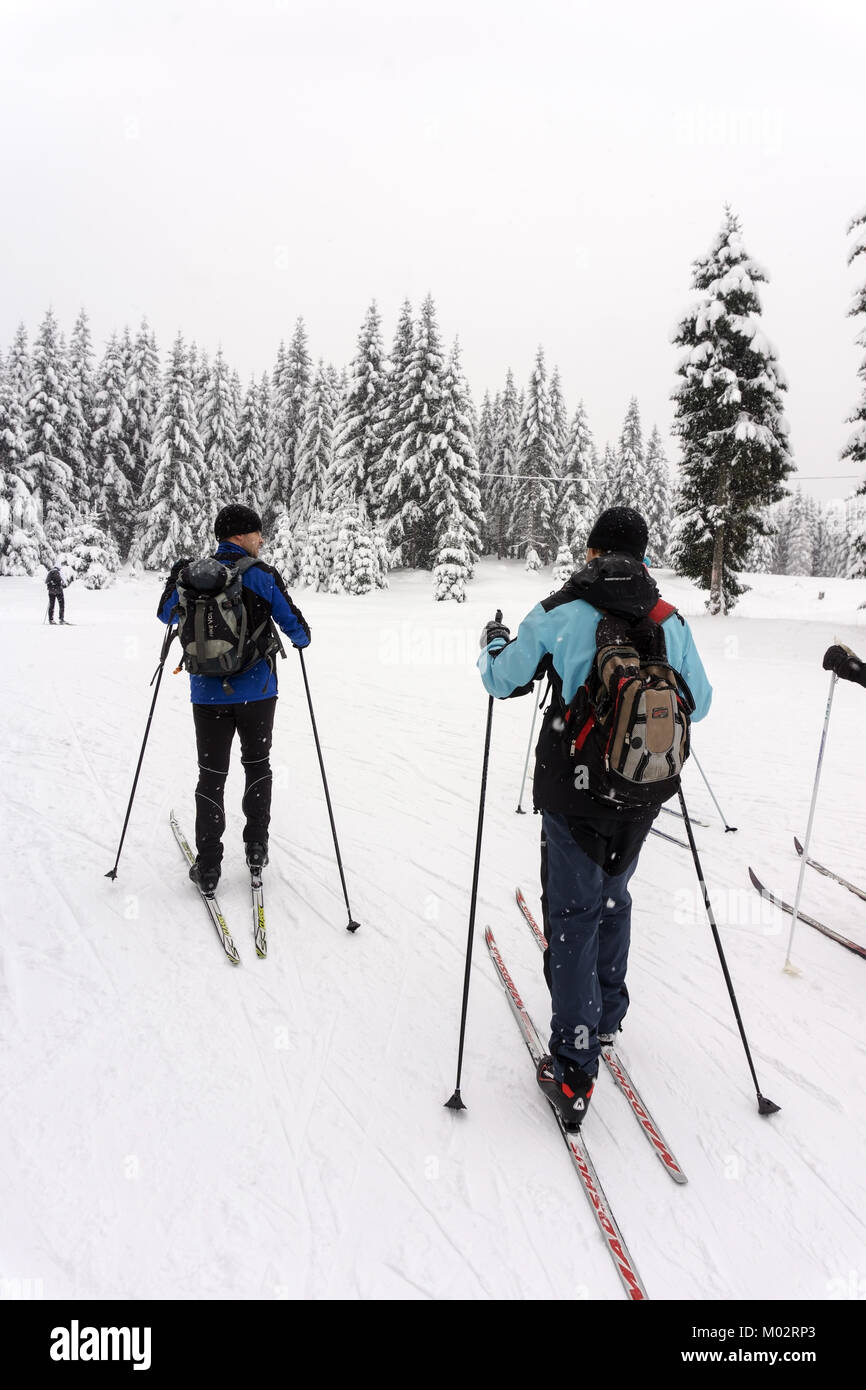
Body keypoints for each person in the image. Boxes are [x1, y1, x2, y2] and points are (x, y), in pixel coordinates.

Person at [478, 506, 713, 1129]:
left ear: (589, 551)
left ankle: (574, 1068)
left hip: (573, 791)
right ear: (642, 554)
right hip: (644, 790)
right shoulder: (667, 617)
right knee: (614, 895)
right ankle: (607, 1018)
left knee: (573, 914)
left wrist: (493, 644)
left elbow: (503, 681)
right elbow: (704, 703)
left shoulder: (560, 610)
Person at [157, 503, 311, 894]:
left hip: (206, 695)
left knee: (211, 776)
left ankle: (208, 866)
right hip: (258, 692)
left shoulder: (196, 577)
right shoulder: (260, 575)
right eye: (258, 534)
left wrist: (174, 579)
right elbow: (300, 632)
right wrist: (299, 634)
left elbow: (165, 615)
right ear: (241, 536)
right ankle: (256, 848)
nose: (262, 540)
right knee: (257, 765)